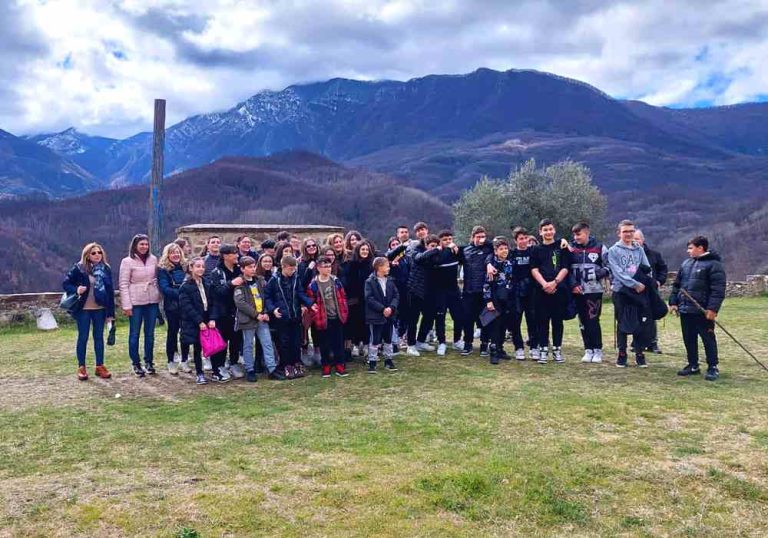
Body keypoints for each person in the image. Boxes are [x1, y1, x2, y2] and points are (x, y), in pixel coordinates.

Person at [669, 235, 726, 381]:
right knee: (689, 338)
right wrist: (673, 302)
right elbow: (677, 285)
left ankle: (713, 366)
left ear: (700, 248)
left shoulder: (714, 265)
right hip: (685, 309)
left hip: (703, 311)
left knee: (708, 338)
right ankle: (693, 365)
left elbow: (718, 290)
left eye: (691, 248)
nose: (688, 251)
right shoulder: (686, 264)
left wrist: (712, 309)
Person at [63, 242, 115, 381]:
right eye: (93, 253)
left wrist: (110, 314)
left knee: (99, 337)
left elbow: (110, 292)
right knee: (83, 337)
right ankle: (82, 367)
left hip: (99, 308)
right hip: (83, 309)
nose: (97, 255)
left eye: (99, 252)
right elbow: (66, 283)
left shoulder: (106, 269)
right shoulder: (79, 268)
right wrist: (76, 289)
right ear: (87, 255)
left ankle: (100, 366)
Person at [607, 220, 652, 368]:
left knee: (640, 322)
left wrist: (646, 281)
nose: (629, 234)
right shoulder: (613, 251)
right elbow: (618, 273)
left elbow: (646, 267)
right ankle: (622, 354)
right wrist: (634, 284)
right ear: (619, 233)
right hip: (621, 292)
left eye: (631, 231)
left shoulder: (639, 249)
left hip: (638, 292)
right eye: (625, 231)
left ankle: (639, 353)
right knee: (622, 323)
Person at [233, 256, 284, 382]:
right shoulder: (240, 284)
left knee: (267, 343)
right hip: (248, 320)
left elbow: (266, 297)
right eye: (249, 267)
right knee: (248, 345)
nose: (252, 269)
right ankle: (250, 369)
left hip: (262, 318)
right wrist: (256, 315)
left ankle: (272, 369)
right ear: (243, 269)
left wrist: (266, 312)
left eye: (254, 266)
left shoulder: (260, 281)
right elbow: (241, 303)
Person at [568, 222, 610, 364]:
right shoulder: (571, 248)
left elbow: (609, 267)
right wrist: (573, 284)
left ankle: (597, 349)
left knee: (593, 320)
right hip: (577, 291)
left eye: (578, 234)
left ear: (586, 233)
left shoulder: (600, 247)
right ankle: (588, 349)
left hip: (594, 291)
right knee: (582, 321)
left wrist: (596, 274)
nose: (576, 237)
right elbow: (566, 268)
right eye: (574, 234)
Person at [265, 255, 313, 379]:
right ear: (284, 267)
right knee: (284, 342)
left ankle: (296, 362)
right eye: (291, 269)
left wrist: (310, 304)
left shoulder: (296, 279)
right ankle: (286, 364)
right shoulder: (274, 280)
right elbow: (268, 297)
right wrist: (273, 309)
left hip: (295, 316)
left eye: (294, 269)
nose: (293, 271)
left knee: (296, 341)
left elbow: (300, 293)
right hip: (282, 317)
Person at [119, 234, 161, 377]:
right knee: (134, 333)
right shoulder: (127, 261)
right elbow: (123, 284)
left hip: (152, 300)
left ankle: (149, 361)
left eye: (146, 244)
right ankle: (136, 363)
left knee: (150, 334)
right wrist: (126, 305)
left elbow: (157, 277)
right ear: (135, 245)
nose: (144, 247)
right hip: (135, 301)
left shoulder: (153, 259)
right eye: (141, 244)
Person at [530, 219, 570, 364]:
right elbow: (534, 269)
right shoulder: (535, 249)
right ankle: (543, 351)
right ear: (540, 232)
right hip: (541, 290)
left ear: (554, 230)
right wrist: (545, 284)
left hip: (559, 289)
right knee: (542, 321)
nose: (548, 232)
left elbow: (565, 267)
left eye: (550, 229)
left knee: (558, 321)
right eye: (545, 229)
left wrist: (555, 283)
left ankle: (557, 350)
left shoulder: (562, 246)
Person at [306, 257, 350, 378]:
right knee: (324, 344)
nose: (327, 269)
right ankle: (326, 365)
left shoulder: (336, 281)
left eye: (329, 266)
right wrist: (315, 314)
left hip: (337, 316)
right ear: (318, 268)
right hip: (322, 318)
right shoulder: (314, 285)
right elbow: (311, 302)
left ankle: (340, 365)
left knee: (338, 343)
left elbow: (343, 297)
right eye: (324, 267)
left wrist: (343, 312)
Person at [209, 244, 245, 382]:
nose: (236, 256)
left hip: (236, 311)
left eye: (236, 253)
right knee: (221, 342)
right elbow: (217, 293)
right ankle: (218, 367)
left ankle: (233, 363)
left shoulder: (238, 270)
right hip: (221, 313)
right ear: (225, 256)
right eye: (233, 253)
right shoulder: (216, 272)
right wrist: (231, 284)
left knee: (236, 339)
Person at [459, 226, 494, 357]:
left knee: (486, 319)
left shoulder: (489, 248)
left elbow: (498, 244)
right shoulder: (465, 250)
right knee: (467, 319)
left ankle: (484, 345)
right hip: (469, 291)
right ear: (472, 237)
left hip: (484, 291)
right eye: (478, 237)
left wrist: (487, 242)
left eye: (483, 236)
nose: (481, 239)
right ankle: (468, 344)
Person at [179, 257, 215, 385]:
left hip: (206, 318)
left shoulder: (207, 283)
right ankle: (199, 373)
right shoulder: (185, 286)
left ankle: (215, 370)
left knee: (211, 345)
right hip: (193, 321)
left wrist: (211, 318)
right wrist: (199, 321)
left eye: (202, 266)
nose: (201, 269)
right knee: (197, 347)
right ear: (191, 268)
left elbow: (211, 302)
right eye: (197, 266)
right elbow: (187, 306)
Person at [158, 242, 192, 375]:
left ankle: (184, 360)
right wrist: (182, 294)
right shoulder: (163, 270)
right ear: (168, 255)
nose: (176, 255)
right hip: (172, 306)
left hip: (186, 306)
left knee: (185, 333)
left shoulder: (186, 267)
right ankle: (171, 361)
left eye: (178, 252)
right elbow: (165, 288)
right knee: (172, 333)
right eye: (172, 252)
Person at [404, 232, 440, 356]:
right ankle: (411, 345)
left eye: (435, 245)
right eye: (431, 245)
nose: (433, 248)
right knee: (413, 319)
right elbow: (419, 258)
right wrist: (436, 250)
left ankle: (420, 341)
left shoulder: (435, 256)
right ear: (426, 245)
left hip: (429, 291)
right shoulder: (416, 251)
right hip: (414, 290)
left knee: (429, 316)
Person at [633, 229, 669, 354]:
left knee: (651, 317)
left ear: (643, 240)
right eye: (633, 239)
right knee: (636, 317)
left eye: (637, 239)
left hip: (651, 291)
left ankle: (653, 343)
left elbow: (663, 269)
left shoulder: (654, 254)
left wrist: (659, 281)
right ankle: (637, 343)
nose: (635, 241)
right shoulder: (628, 254)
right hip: (635, 290)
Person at [483, 237, 517, 364]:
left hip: (507, 298)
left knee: (504, 325)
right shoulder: (492, 265)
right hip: (495, 298)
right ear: (495, 251)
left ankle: (500, 348)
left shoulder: (510, 262)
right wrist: (489, 300)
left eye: (506, 248)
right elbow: (486, 284)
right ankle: (493, 351)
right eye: (501, 249)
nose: (504, 251)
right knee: (495, 325)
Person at [364, 257, 400, 373]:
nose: (389, 268)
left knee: (388, 338)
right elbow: (369, 298)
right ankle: (372, 362)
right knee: (375, 339)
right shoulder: (370, 282)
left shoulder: (390, 280)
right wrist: (382, 309)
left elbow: (396, 295)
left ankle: (388, 360)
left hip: (389, 315)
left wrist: (391, 307)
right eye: (387, 266)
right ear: (379, 267)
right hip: (376, 316)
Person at [433, 230, 464, 355]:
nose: (448, 242)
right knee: (440, 318)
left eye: (450, 239)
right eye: (445, 240)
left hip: (454, 290)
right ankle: (442, 342)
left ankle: (457, 340)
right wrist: (446, 249)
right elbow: (440, 259)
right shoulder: (437, 253)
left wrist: (455, 249)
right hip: (440, 291)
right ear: (440, 241)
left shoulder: (456, 252)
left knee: (458, 316)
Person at [509, 227, 538, 360]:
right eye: (521, 239)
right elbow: (494, 255)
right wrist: (488, 264)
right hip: (516, 292)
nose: (524, 241)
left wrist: (564, 242)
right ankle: (518, 347)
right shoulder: (511, 253)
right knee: (516, 320)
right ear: (516, 241)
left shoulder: (533, 251)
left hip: (532, 291)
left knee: (532, 319)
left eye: (526, 238)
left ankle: (534, 347)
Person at [342, 240, 374, 358]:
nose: (365, 252)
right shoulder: (351, 264)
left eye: (366, 249)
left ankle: (365, 345)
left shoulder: (371, 265)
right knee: (354, 322)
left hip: (368, 299)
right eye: (362, 249)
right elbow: (348, 282)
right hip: (355, 299)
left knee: (366, 322)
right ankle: (355, 345)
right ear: (358, 251)